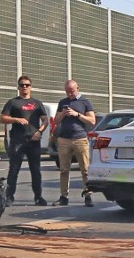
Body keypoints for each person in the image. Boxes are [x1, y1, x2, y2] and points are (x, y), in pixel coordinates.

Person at [0, 76, 49, 207]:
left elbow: (45, 120)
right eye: (22, 85)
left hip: (33, 141)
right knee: (14, 170)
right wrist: (16, 119)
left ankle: (38, 197)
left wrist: (40, 132)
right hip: (18, 140)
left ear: (31, 87)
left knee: (36, 170)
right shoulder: (13, 102)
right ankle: (9, 197)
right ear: (18, 87)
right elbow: (3, 118)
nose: (24, 87)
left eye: (27, 85)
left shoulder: (37, 103)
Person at [53, 79, 96, 207]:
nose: (69, 94)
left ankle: (88, 195)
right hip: (64, 139)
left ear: (78, 88)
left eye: (71, 91)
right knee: (64, 169)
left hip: (80, 139)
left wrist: (77, 114)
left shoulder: (85, 102)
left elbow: (92, 121)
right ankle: (63, 196)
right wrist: (63, 114)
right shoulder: (63, 102)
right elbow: (56, 121)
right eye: (67, 91)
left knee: (85, 169)